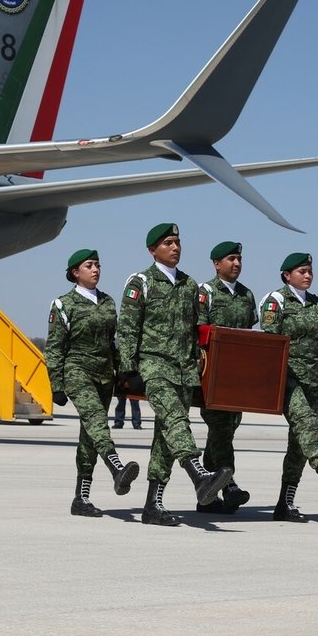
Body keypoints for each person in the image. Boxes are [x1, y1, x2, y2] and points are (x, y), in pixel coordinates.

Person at [117, 223, 233, 526]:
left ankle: (152, 506)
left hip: (183, 371)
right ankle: (199, 475)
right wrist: (129, 368)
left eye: (178, 242)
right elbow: (127, 328)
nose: (175, 247)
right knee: (177, 422)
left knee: (165, 438)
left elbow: (195, 332)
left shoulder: (189, 285)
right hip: (153, 367)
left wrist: (198, 365)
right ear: (152, 249)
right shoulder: (140, 281)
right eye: (168, 242)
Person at [259, 252, 318, 522]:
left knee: (299, 444)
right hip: (287, 379)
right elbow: (269, 343)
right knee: (307, 428)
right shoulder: (276, 302)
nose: (308, 275)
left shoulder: (317, 304)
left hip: (312, 379)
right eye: (302, 271)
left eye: (310, 271)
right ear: (286, 275)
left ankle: (284, 504)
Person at [44, 249, 140, 518]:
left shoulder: (108, 302)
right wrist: (56, 383)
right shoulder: (63, 304)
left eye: (98, 265)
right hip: (77, 370)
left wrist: (124, 371)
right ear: (76, 272)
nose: (96, 269)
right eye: (89, 265)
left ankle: (81, 499)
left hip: (104, 375)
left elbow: (113, 342)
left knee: (89, 437)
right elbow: (54, 348)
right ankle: (116, 467)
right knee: (97, 420)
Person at [195, 240, 257, 514]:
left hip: (237, 380)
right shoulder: (205, 293)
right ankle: (229, 484)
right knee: (220, 429)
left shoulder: (247, 295)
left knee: (224, 431)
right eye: (231, 259)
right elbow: (198, 332)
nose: (237, 264)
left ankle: (205, 496)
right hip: (213, 377)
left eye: (239, 259)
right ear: (216, 264)